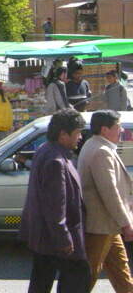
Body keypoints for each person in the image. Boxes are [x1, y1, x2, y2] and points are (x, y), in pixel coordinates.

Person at [20, 108, 90, 293]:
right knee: (78, 276)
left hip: (44, 236)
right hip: (54, 238)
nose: (80, 137)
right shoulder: (55, 161)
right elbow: (55, 207)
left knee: (41, 282)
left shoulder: (46, 149)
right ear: (63, 134)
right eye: (77, 133)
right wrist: (64, 239)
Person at [77, 110, 133, 291]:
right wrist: (126, 223)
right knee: (89, 274)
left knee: (121, 271)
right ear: (104, 129)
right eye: (118, 127)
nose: (121, 130)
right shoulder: (101, 151)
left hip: (108, 224)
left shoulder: (96, 145)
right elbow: (110, 192)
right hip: (100, 226)